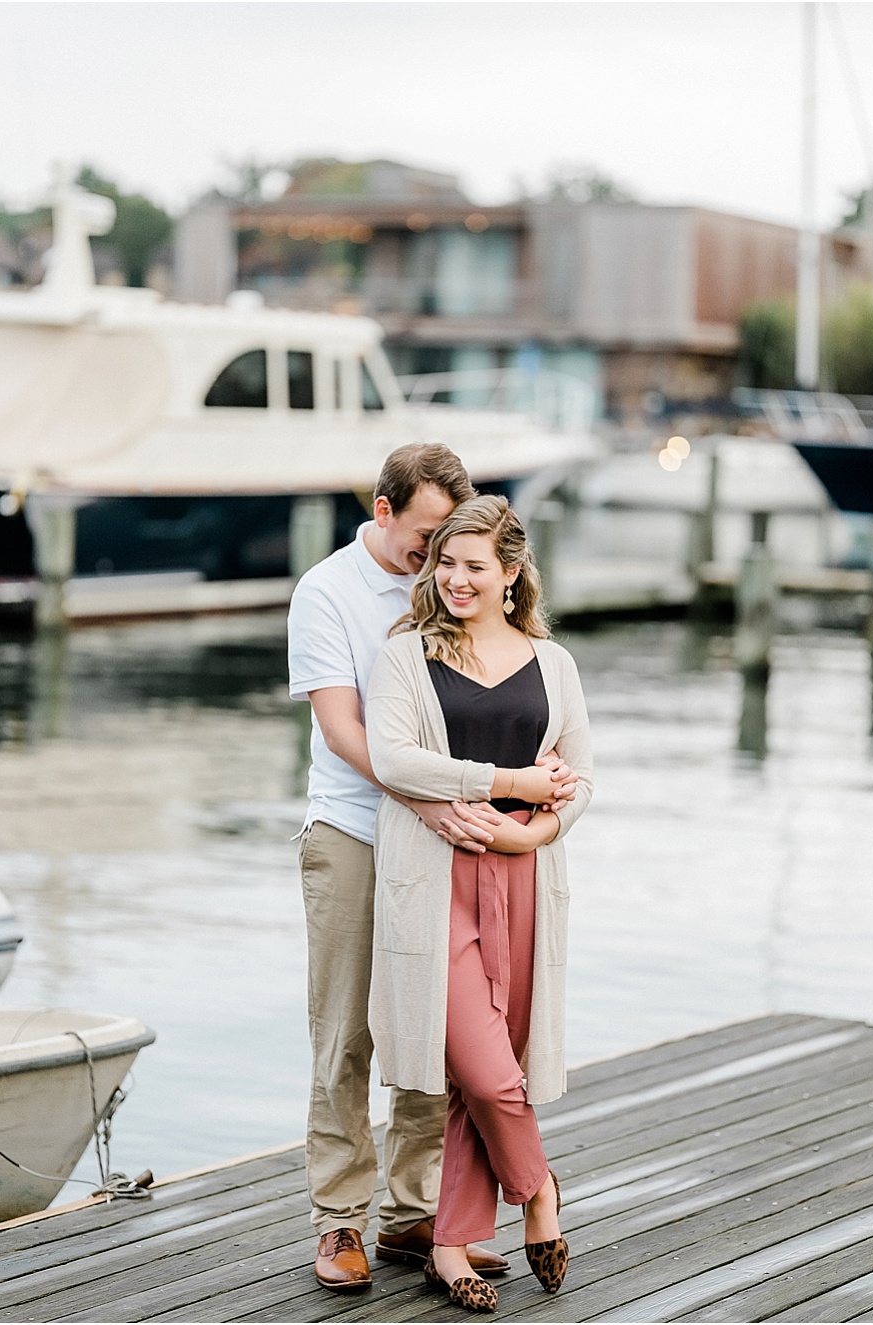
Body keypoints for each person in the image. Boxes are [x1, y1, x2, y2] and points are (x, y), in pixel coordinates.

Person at [288, 444, 522, 1293]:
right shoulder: (327, 591)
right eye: (424, 534)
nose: (435, 554)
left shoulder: (450, 588)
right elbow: (345, 733)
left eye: (449, 540)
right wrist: (427, 800)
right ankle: (339, 1220)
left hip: (440, 838)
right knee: (345, 1030)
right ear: (382, 511)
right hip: (353, 830)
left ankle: (413, 1213)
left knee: (435, 1027)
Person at [366, 494, 594, 1313]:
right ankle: (538, 1192)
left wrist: (536, 832)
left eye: (473, 566)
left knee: (480, 1074)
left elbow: (580, 777)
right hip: (433, 882)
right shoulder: (405, 655)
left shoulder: (552, 661)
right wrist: (507, 786)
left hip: (523, 882)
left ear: (509, 574)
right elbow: (394, 759)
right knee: (491, 1073)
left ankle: (452, 1240)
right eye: (444, 563)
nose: (454, 580)